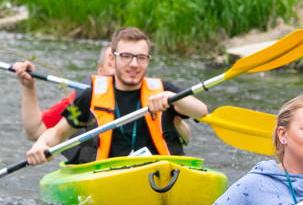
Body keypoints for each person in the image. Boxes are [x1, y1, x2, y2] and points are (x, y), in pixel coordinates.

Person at [25, 26, 206, 165]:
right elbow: (57, 133)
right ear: (113, 58)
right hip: (107, 175)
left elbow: (201, 111)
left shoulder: (163, 89)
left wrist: (172, 97)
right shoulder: (90, 95)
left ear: (148, 60)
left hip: (161, 172)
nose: (134, 64)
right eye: (127, 56)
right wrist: (41, 144)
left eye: (141, 57)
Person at [14, 46, 192, 145]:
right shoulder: (85, 97)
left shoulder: (157, 93)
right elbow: (35, 132)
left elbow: (187, 135)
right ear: (100, 71)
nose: (127, 68)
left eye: (134, 60)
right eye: (114, 63)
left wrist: (177, 124)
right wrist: (28, 87)